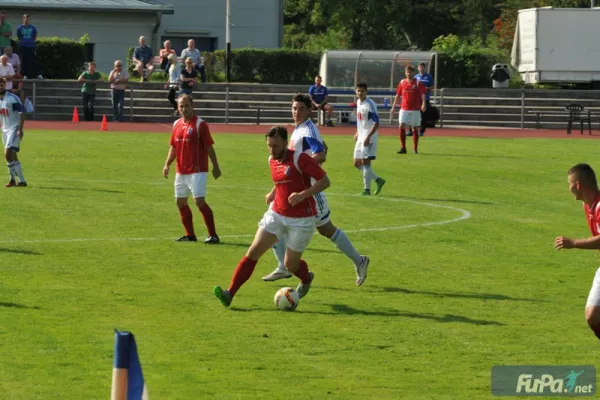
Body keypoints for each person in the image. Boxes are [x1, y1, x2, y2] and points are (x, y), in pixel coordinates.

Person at [213, 126, 330, 307]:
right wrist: (273, 194)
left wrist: (303, 194)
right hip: (276, 214)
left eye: (276, 146)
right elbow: (283, 182)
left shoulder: (300, 159)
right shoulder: (271, 160)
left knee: (291, 265)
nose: (272, 150)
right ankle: (230, 293)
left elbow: (325, 181)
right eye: (269, 145)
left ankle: (306, 278)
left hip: (302, 219)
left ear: (285, 142)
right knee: (253, 251)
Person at [262, 93, 370, 286]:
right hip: (295, 189)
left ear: (309, 110)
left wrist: (304, 165)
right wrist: (275, 189)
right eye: (294, 108)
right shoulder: (298, 130)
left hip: (310, 189)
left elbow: (320, 154)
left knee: (326, 229)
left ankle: (359, 260)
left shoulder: (308, 130)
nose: (296, 112)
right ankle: (282, 266)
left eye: (301, 108)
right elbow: (290, 165)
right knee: (275, 219)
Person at [163, 94, 221, 244]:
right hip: (181, 171)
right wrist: (167, 164)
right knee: (180, 202)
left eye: (186, 105)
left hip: (197, 170)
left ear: (192, 106)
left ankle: (213, 235)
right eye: (181, 106)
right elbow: (174, 147)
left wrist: (215, 166)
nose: (184, 109)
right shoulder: (176, 124)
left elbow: (209, 147)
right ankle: (190, 235)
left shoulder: (200, 124)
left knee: (199, 201)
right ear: (177, 107)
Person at [555, 163, 600, 343]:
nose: (569, 188)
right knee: (592, 316)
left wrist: (574, 243)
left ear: (578, 186)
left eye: (569, 184)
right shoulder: (588, 206)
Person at [353, 82, 386, 196]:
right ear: (355, 91)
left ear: (366, 92)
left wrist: (368, 136)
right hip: (361, 136)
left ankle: (366, 190)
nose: (360, 93)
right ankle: (378, 180)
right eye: (358, 91)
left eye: (362, 91)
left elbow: (376, 123)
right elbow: (362, 120)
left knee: (366, 163)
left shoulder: (370, 104)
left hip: (369, 137)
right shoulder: (358, 102)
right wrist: (358, 132)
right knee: (356, 163)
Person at [389, 64, 426, 154]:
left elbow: (423, 94)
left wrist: (424, 104)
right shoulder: (402, 83)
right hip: (404, 108)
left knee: (414, 128)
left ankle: (415, 149)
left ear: (413, 73)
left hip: (415, 109)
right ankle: (403, 148)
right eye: (407, 72)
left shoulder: (418, 83)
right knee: (401, 125)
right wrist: (393, 107)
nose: (408, 74)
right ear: (405, 73)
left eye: (410, 72)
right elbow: (398, 95)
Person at [0, 78, 26, 187]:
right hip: (4, 130)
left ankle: (12, 180)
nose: (1, 87)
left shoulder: (12, 98)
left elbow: (22, 113)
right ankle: (22, 181)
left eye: (2, 85)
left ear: (5, 85)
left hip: (14, 129)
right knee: (13, 156)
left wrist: (20, 129)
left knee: (7, 153)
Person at [16, 14, 42, 79]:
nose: (26, 20)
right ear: (23, 19)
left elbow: (34, 37)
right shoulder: (20, 28)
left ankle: (38, 75)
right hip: (23, 46)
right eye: (25, 18)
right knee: (24, 61)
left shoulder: (33, 28)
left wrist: (30, 41)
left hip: (31, 46)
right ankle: (25, 75)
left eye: (27, 19)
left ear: (29, 20)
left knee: (33, 60)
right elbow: (19, 37)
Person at [415, 62, 434, 136]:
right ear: (418, 68)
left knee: (424, 115)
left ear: (424, 68)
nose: (420, 68)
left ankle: (422, 131)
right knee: (414, 114)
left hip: (425, 98)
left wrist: (426, 88)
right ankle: (411, 130)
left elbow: (432, 87)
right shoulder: (416, 77)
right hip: (416, 98)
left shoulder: (428, 77)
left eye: (422, 67)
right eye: (419, 67)